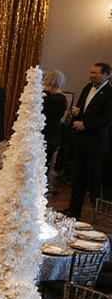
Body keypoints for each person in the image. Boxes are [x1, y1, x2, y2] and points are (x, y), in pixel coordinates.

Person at [66, 62, 112, 218]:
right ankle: (74, 210)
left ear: (107, 75)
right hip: (81, 141)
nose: (92, 75)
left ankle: (96, 216)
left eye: (97, 73)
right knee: (77, 178)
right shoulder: (87, 87)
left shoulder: (110, 93)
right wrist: (77, 111)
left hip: (97, 144)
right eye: (92, 72)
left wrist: (85, 125)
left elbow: (107, 119)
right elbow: (81, 107)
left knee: (94, 182)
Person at [41, 69, 68, 174]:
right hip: (53, 134)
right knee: (45, 163)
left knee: (42, 164)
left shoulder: (53, 99)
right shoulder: (62, 98)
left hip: (48, 135)